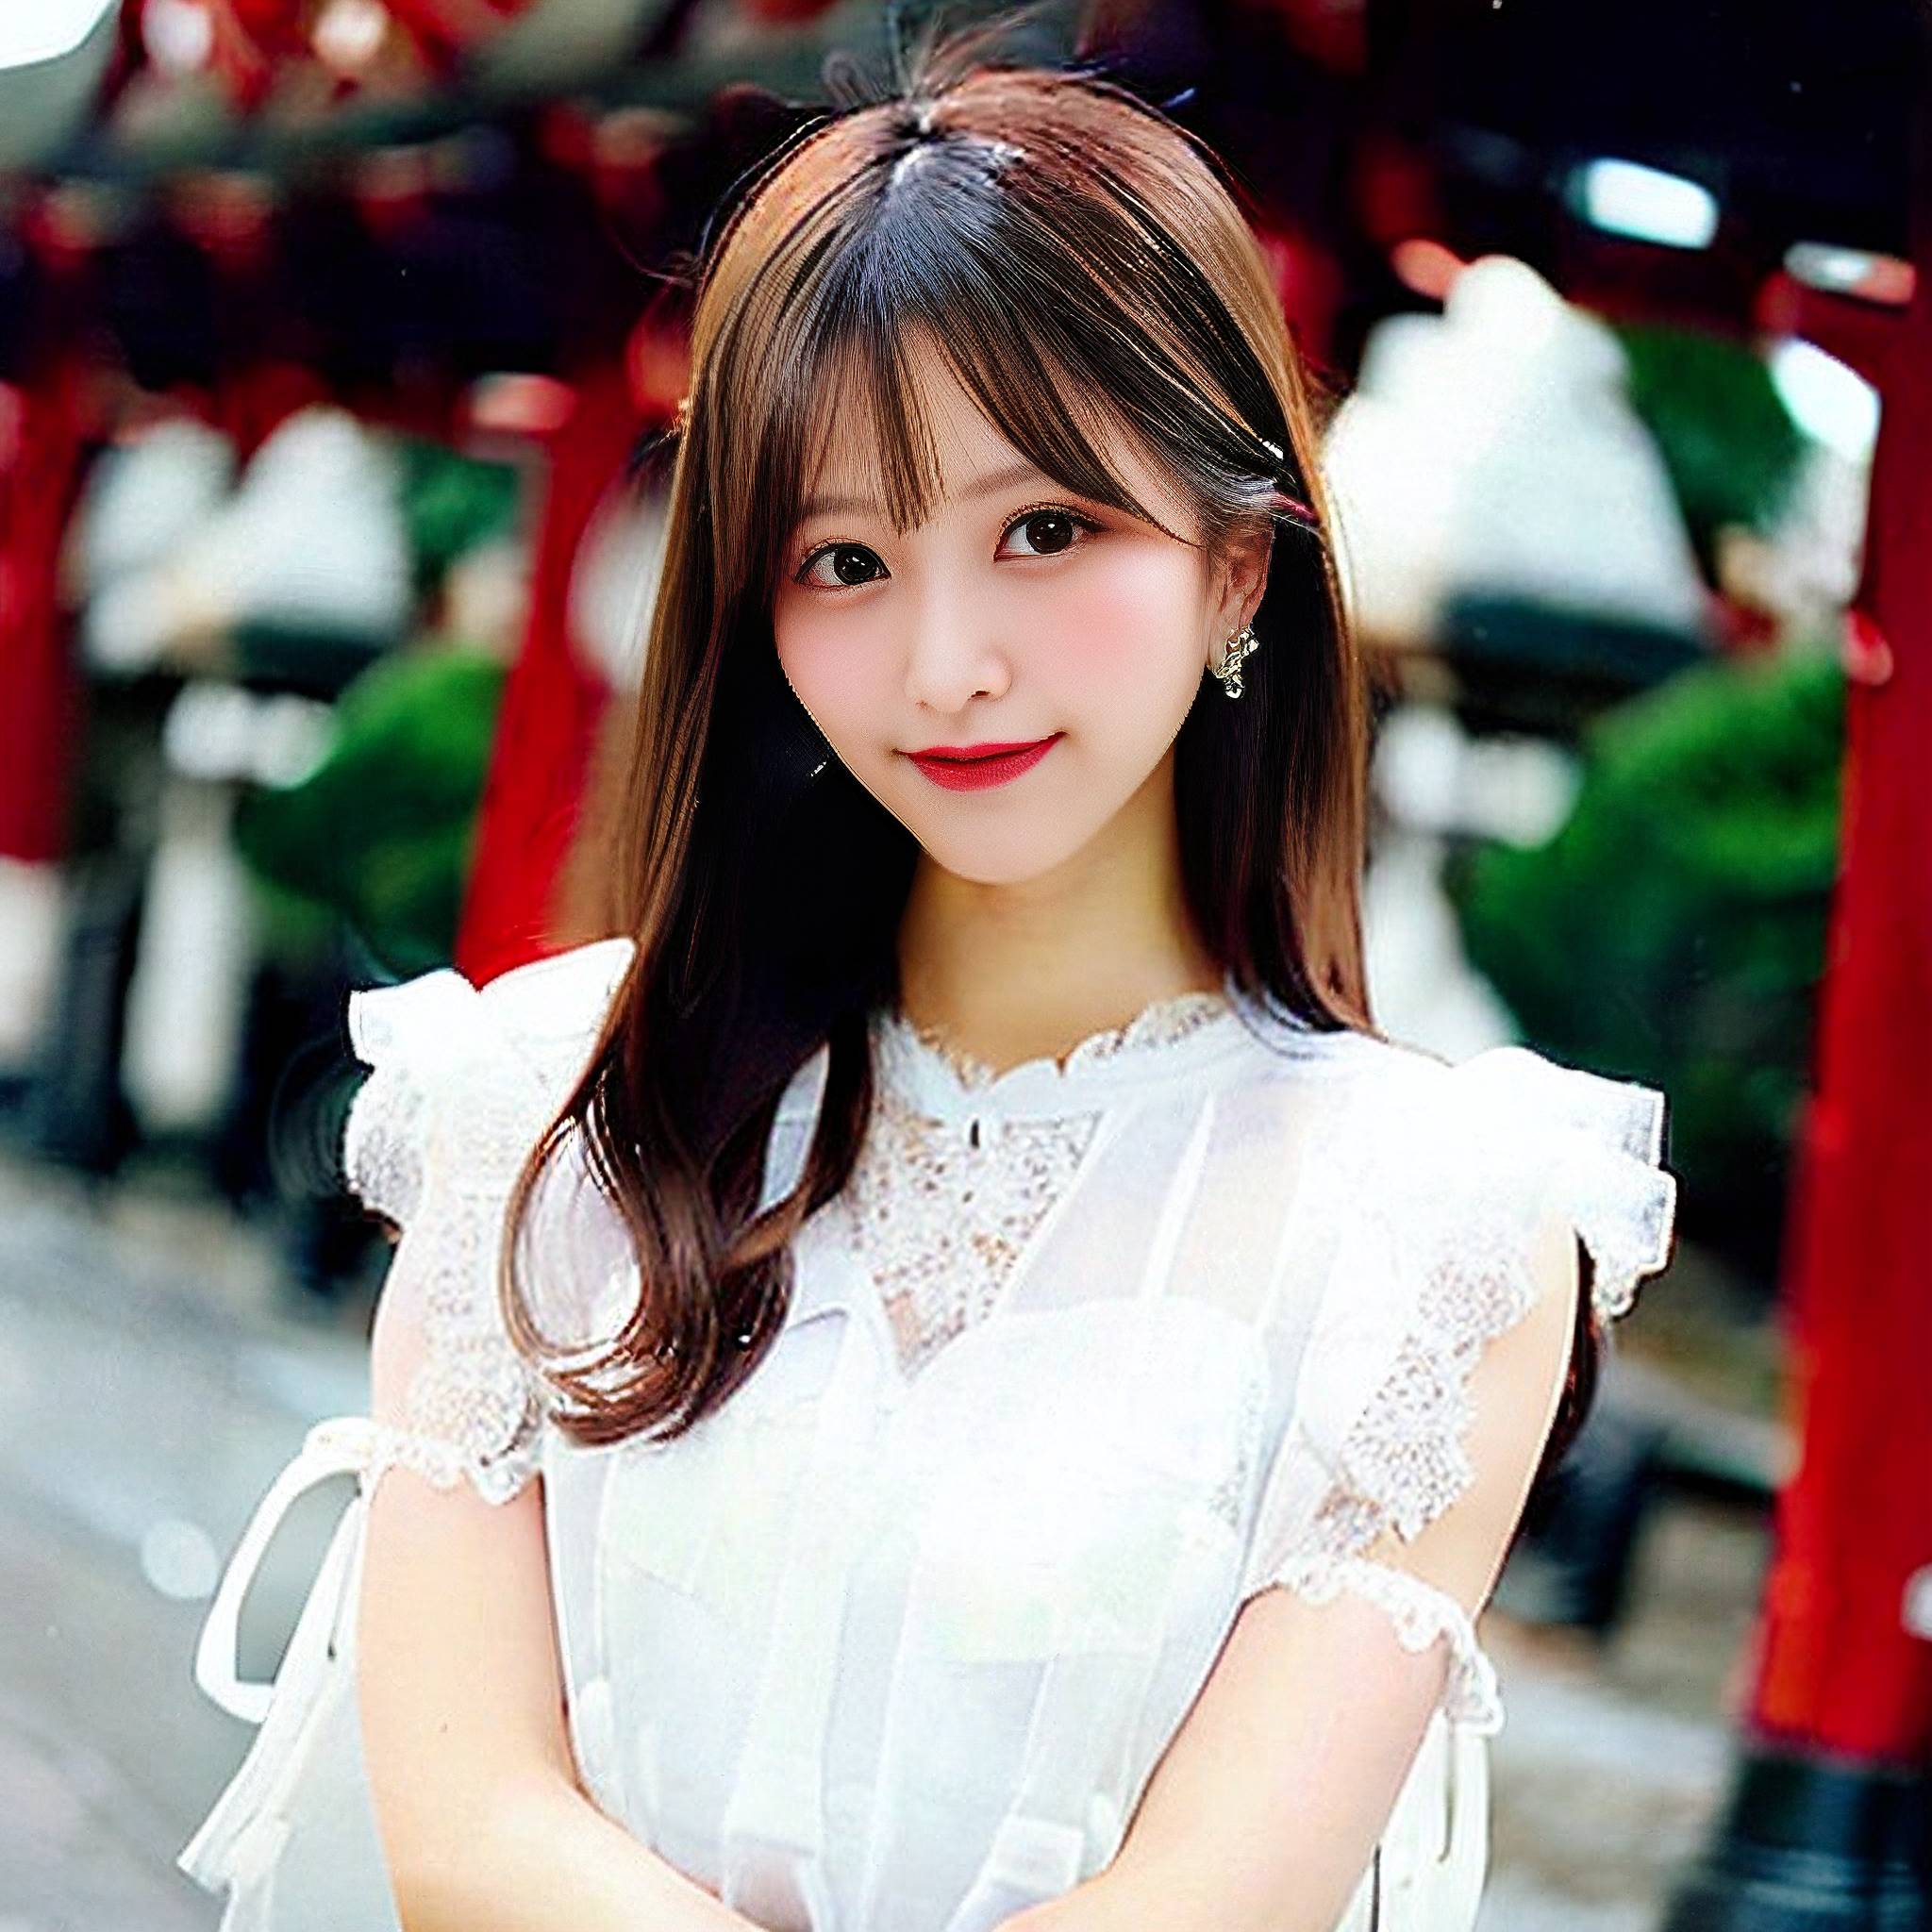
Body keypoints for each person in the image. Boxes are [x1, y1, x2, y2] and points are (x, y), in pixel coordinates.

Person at [344, 26, 1678, 1932]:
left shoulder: (1434, 1237)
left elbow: (1216, 1897)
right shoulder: (540, 1110)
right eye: (843, 559)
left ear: (1236, 569)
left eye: (1044, 528)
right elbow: (462, 1831)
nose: (945, 660)